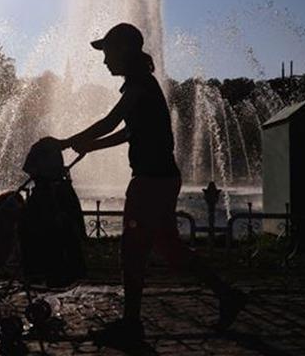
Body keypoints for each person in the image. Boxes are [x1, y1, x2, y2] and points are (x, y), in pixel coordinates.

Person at [55, 22, 246, 344]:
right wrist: (90, 146)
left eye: (108, 52)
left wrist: (65, 143)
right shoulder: (140, 85)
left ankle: (131, 325)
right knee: (169, 248)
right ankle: (227, 295)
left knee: (132, 249)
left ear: (125, 50)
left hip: (151, 181)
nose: (104, 61)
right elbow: (130, 131)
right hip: (162, 177)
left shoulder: (140, 85)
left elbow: (111, 121)